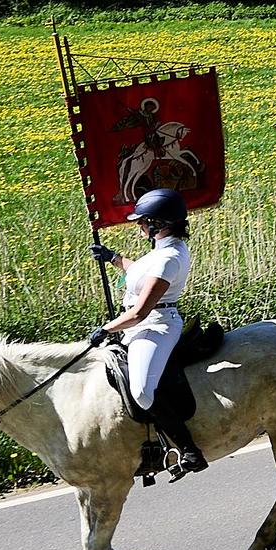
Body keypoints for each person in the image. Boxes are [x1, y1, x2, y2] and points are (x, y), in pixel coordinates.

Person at [87, 188, 204, 473]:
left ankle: (190, 451)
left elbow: (140, 312)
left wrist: (106, 329)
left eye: (143, 220)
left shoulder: (170, 257)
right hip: (141, 325)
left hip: (155, 326)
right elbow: (138, 272)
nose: (139, 224)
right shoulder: (161, 250)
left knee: (141, 390)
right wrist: (113, 258)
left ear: (159, 223)